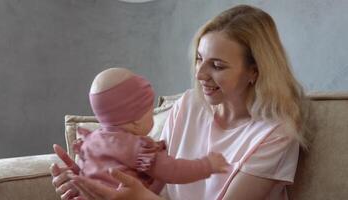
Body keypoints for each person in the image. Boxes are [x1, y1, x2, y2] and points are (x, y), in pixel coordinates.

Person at [51, 4, 308, 200]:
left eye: (217, 66)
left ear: (255, 71)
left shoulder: (275, 134)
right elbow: (152, 179)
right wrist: (93, 178)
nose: (200, 75)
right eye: (199, 59)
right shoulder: (189, 105)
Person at [52, 67, 229, 199]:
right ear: (136, 120)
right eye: (150, 111)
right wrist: (207, 166)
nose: (152, 114)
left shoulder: (92, 140)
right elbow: (174, 171)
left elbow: (89, 176)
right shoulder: (135, 147)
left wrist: (77, 177)